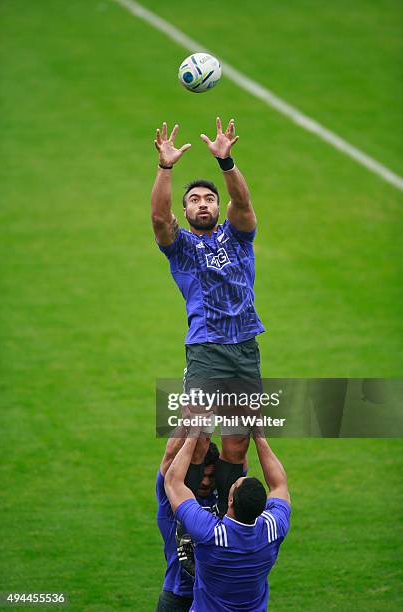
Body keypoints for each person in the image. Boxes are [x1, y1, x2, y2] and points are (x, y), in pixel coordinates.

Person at [151, 117, 264, 511]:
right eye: (195, 200)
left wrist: (226, 162)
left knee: (237, 440)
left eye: (209, 199)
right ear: (186, 210)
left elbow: (244, 203)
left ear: (218, 206)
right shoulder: (180, 246)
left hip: (245, 347)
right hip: (207, 349)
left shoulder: (238, 235)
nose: (203, 203)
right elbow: (159, 219)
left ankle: (227, 513)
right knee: (195, 435)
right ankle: (191, 520)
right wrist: (166, 167)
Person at [164, 423, 291, 612]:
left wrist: (193, 432)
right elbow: (279, 484)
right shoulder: (273, 528)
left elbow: (173, 482)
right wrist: (259, 436)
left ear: (230, 500)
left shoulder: (211, 534)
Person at [156, 423, 220, 612]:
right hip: (177, 598)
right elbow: (169, 455)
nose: (206, 482)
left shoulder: (224, 498)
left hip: (213, 599)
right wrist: (189, 422)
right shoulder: (172, 497)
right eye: (203, 475)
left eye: (212, 476)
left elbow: (238, 458)